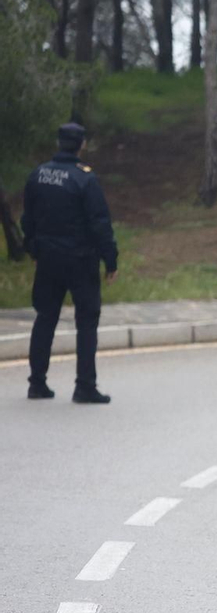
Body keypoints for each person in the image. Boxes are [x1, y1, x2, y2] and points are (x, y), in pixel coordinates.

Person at [22, 122, 117, 403]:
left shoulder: (38, 174)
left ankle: (37, 384)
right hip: (80, 261)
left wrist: (34, 251)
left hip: (48, 259)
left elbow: (28, 219)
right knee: (86, 321)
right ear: (82, 145)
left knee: (45, 318)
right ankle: (84, 386)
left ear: (58, 142)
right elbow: (99, 223)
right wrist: (110, 260)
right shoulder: (85, 178)